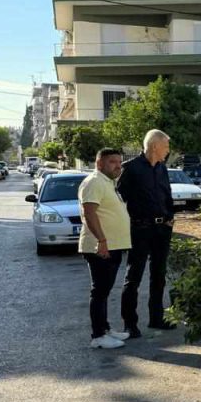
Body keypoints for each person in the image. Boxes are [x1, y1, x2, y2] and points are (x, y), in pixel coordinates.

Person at [117, 129, 176, 338]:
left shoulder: (162, 168)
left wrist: (170, 217)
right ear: (154, 146)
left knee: (159, 276)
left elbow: (167, 195)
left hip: (162, 229)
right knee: (134, 277)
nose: (168, 150)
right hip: (140, 229)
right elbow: (118, 200)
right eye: (166, 146)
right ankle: (130, 324)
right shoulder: (130, 169)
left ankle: (156, 318)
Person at [79, 148, 133, 349]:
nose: (118, 165)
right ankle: (98, 336)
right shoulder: (94, 182)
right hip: (101, 246)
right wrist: (101, 240)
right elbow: (89, 212)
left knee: (104, 291)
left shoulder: (107, 183)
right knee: (99, 292)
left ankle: (105, 329)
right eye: (112, 162)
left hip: (112, 246)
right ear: (99, 163)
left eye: (119, 162)